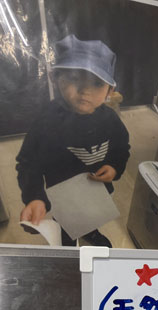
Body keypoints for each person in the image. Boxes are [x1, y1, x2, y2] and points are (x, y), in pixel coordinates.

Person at [16, 34, 130, 247]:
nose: (85, 90)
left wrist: (114, 167)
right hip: (62, 193)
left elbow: (122, 147)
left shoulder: (110, 119)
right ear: (55, 78)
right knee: (66, 225)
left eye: (97, 82)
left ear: (110, 90)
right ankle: (67, 241)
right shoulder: (46, 121)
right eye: (75, 78)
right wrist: (35, 197)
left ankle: (91, 232)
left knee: (91, 215)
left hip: (96, 188)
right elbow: (28, 163)